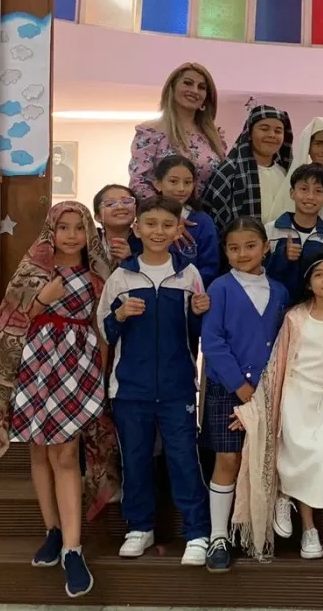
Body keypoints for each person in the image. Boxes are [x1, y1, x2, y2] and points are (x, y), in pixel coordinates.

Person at [0, 201, 118, 598]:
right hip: (37, 366)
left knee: (66, 454)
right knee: (39, 452)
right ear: (51, 231)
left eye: (79, 227)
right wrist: (42, 300)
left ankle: (74, 549)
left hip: (79, 366)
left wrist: (101, 374)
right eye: (64, 227)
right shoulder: (33, 269)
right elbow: (11, 319)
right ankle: (52, 531)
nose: (72, 235)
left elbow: (102, 324)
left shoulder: (97, 274)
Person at [229, 249, 323, 562]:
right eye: (318, 274)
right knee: (293, 449)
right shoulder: (295, 317)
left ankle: (285, 494)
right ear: (308, 283)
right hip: (296, 394)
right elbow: (275, 365)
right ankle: (308, 529)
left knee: (318, 458)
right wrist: (254, 410)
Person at [98, 196, 213, 566]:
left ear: (178, 229)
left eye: (167, 224)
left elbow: (197, 335)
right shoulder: (121, 276)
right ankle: (140, 528)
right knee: (135, 459)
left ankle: (197, 532)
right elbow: (105, 330)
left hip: (178, 385)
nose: (158, 231)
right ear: (137, 228)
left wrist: (199, 314)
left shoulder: (189, 274)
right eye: (150, 224)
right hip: (130, 389)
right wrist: (119, 314)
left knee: (183, 458)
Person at [198, 217, 288, 572]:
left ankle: (255, 527)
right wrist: (241, 387)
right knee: (228, 459)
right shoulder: (218, 288)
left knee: (263, 458)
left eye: (250, 246)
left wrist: (265, 389)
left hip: (269, 391)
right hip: (228, 390)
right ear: (225, 252)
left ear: (266, 247)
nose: (242, 253)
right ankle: (218, 535)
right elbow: (214, 342)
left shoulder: (280, 291)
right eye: (233, 248)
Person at [129, 62, 227, 200]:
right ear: (172, 89)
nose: (194, 90)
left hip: (208, 217)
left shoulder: (214, 137)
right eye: (187, 83)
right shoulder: (150, 132)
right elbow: (138, 183)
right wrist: (171, 214)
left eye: (201, 87)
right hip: (165, 217)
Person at [201, 104, 294, 235]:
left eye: (278, 131)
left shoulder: (287, 173)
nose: (272, 135)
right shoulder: (229, 172)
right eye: (264, 129)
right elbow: (214, 219)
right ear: (249, 133)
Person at [132, 156, 220, 288]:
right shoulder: (145, 218)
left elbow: (210, 266)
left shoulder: (202, 221)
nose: (181, 188)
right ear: (158, 183)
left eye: (187, 182)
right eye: (173, 181)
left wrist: (188, 288)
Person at [265, 163, 323, 298]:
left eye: (318, 191)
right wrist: (282, 255)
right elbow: (259, 271)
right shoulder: (271, 230)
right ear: (292, 193)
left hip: (312, 310)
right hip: (274, 305)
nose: (310, 196)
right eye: (304, 189)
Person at [92, 184, 137, 266]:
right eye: (110, 204)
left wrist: (130, 260)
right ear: (98, 217)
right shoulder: (88, 241)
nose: (120, 207)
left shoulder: (145, 241)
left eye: (126, 201)